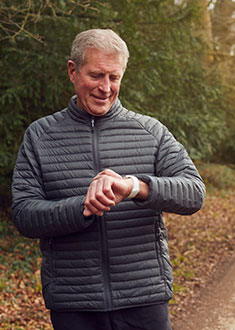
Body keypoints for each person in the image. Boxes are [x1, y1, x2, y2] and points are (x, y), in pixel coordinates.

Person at [11, 29, 205, 330]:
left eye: (114, 78)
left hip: (145, 298)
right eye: (96, 75)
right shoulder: (40, 136)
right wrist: (82, 208)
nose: (105, 87)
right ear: (72, 71)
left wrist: (135, 187)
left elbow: (194, 193)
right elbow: (23, 214)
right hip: (74, 304)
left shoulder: (150, 131)